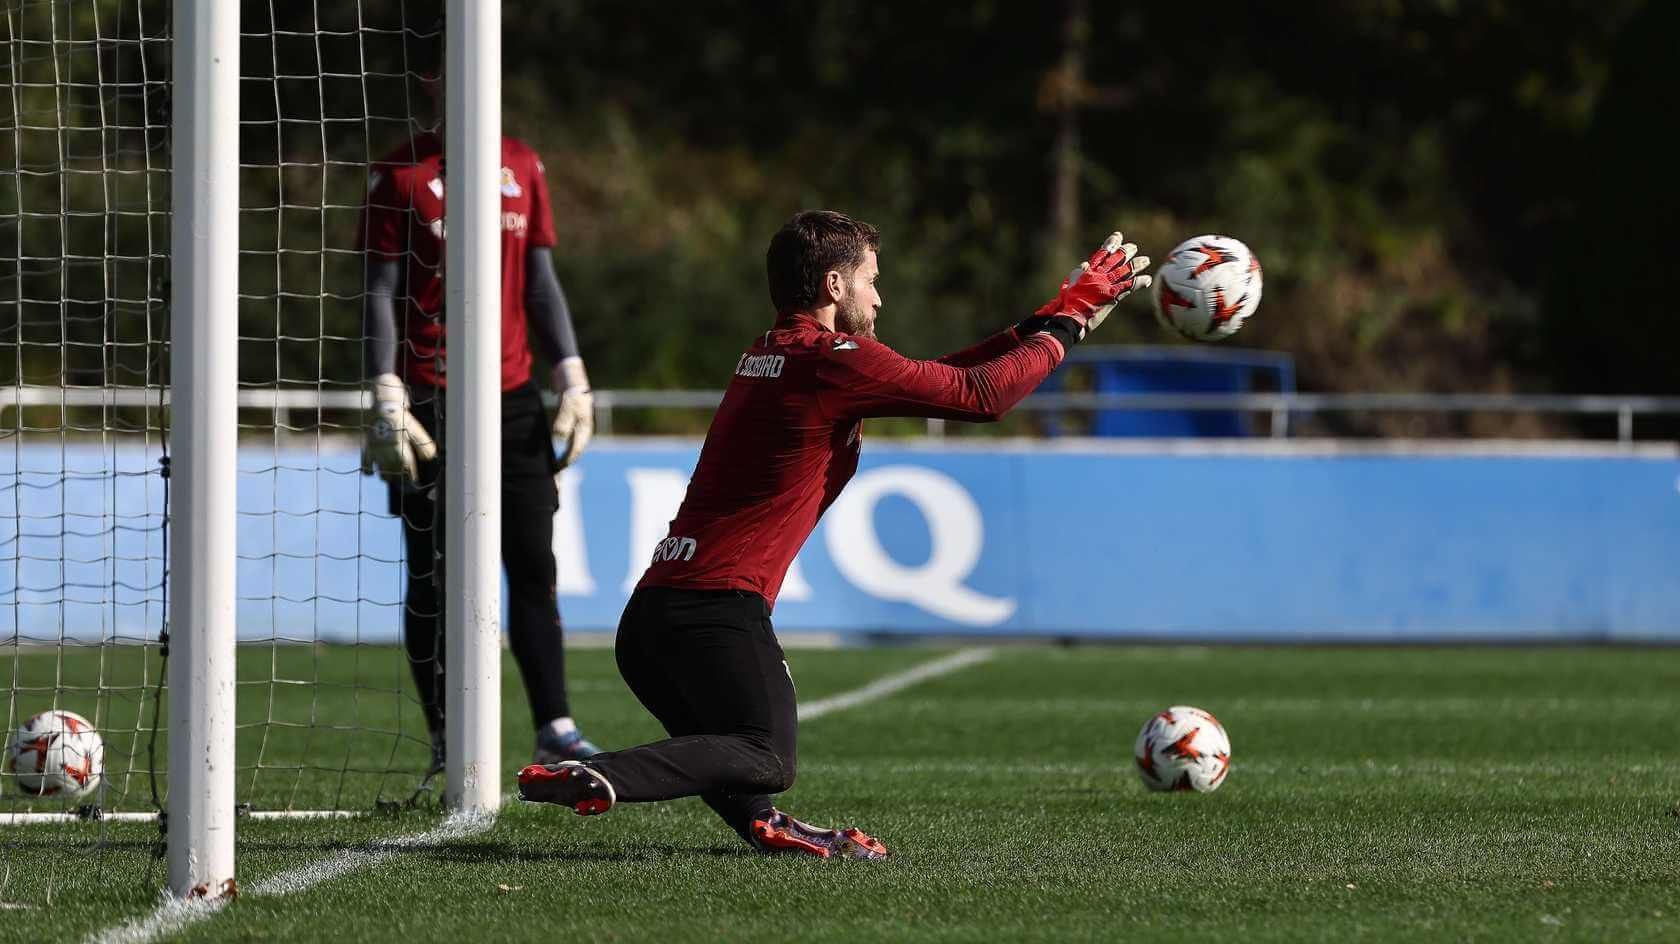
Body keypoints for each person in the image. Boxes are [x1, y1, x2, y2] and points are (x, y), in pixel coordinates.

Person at [516, 210, 1150, 858]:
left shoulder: (775, 351)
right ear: (834, 285)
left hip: (652, 621)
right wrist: (1068, 323)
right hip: (713, 613)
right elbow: (980, 396)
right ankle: (600, 774)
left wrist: (1045, 319)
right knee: (767, 753)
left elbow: (943, 376)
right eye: (872, 279)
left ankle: (763, 823)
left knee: (733, 754)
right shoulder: (832, 362)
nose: (880, 295)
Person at [358, 30, 599, 773]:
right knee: (429, 571)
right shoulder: (401, 174)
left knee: (533, 563)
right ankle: (443, 737)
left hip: (514, 399)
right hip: (429, 403)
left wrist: (572, 374)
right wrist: (385, 387)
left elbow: (540, 282)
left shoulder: (523, 166)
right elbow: (379, 291)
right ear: (433, 82)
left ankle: (555, 726)